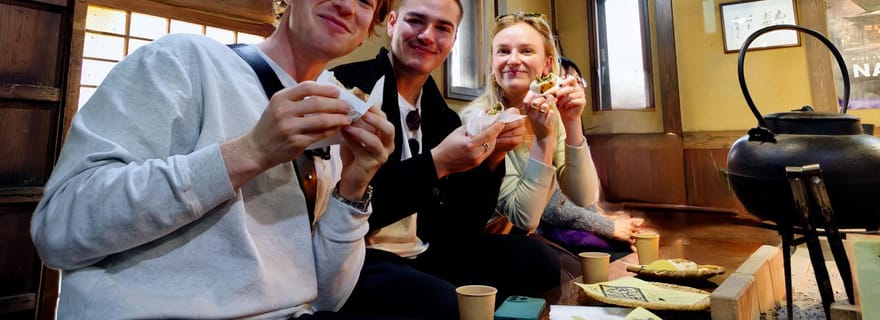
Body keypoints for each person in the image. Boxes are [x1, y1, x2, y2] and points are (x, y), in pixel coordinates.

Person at [29, 0, 398, 319]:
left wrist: (354, 185)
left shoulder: (336, 117)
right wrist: (252, 151)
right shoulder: (184, 60)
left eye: (366, 1)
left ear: (368, 31)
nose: (347, 6)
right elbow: (59, 227)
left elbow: (327, 298)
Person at [331, 0, 561, 319]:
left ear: (453, 41)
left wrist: (492, 160)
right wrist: (437, 163)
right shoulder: (347, 89)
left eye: (442, 28)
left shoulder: (443, 117)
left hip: (426, 251)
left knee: (537, 259)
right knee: (442, 300)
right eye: (416, 21)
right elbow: (348, 207)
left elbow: (462, 226)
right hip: (359, 257)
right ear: (393, 23)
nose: (427, 35)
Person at [461, 12, 643, 260]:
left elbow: (583, 196)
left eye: (526, 51)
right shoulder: (480, 119)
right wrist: (543, 139)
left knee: (615, 254)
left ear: (547, 65)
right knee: (547, 260)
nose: (513, 60)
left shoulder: (552, 114)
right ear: (492, 63)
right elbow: (524, 217)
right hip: (480, 241)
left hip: (523, 238)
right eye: (503, 51)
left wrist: (572, 120)